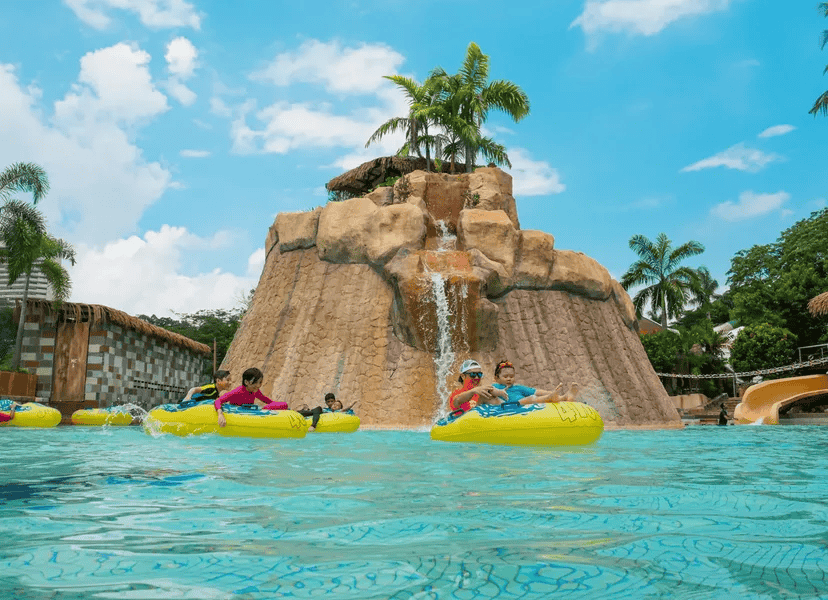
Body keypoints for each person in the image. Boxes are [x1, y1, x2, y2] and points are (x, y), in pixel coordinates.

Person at [215, 367, 287, 428]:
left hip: (249, 413)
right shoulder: (236, 392)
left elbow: (269, 402)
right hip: (237, 415)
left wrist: (278, 407)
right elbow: (218, 401)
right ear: (246, 382)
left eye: (260, 382)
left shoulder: (255, 392)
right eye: (256, 382)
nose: (259, 385)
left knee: (284, 404)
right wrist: (220, 414)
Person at [491, 359, 579, 405]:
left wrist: (553, 392)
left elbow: (537, 391)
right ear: (496, 378)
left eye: (511, 376)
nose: (509, 379)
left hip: (525, 404)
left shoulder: (517, 387)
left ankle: (564, 397)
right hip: (514, 405)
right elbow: (488, 393)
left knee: (535, 396)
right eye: (505, 377)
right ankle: (553, 397)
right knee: (531, 398)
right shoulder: (495, 386)